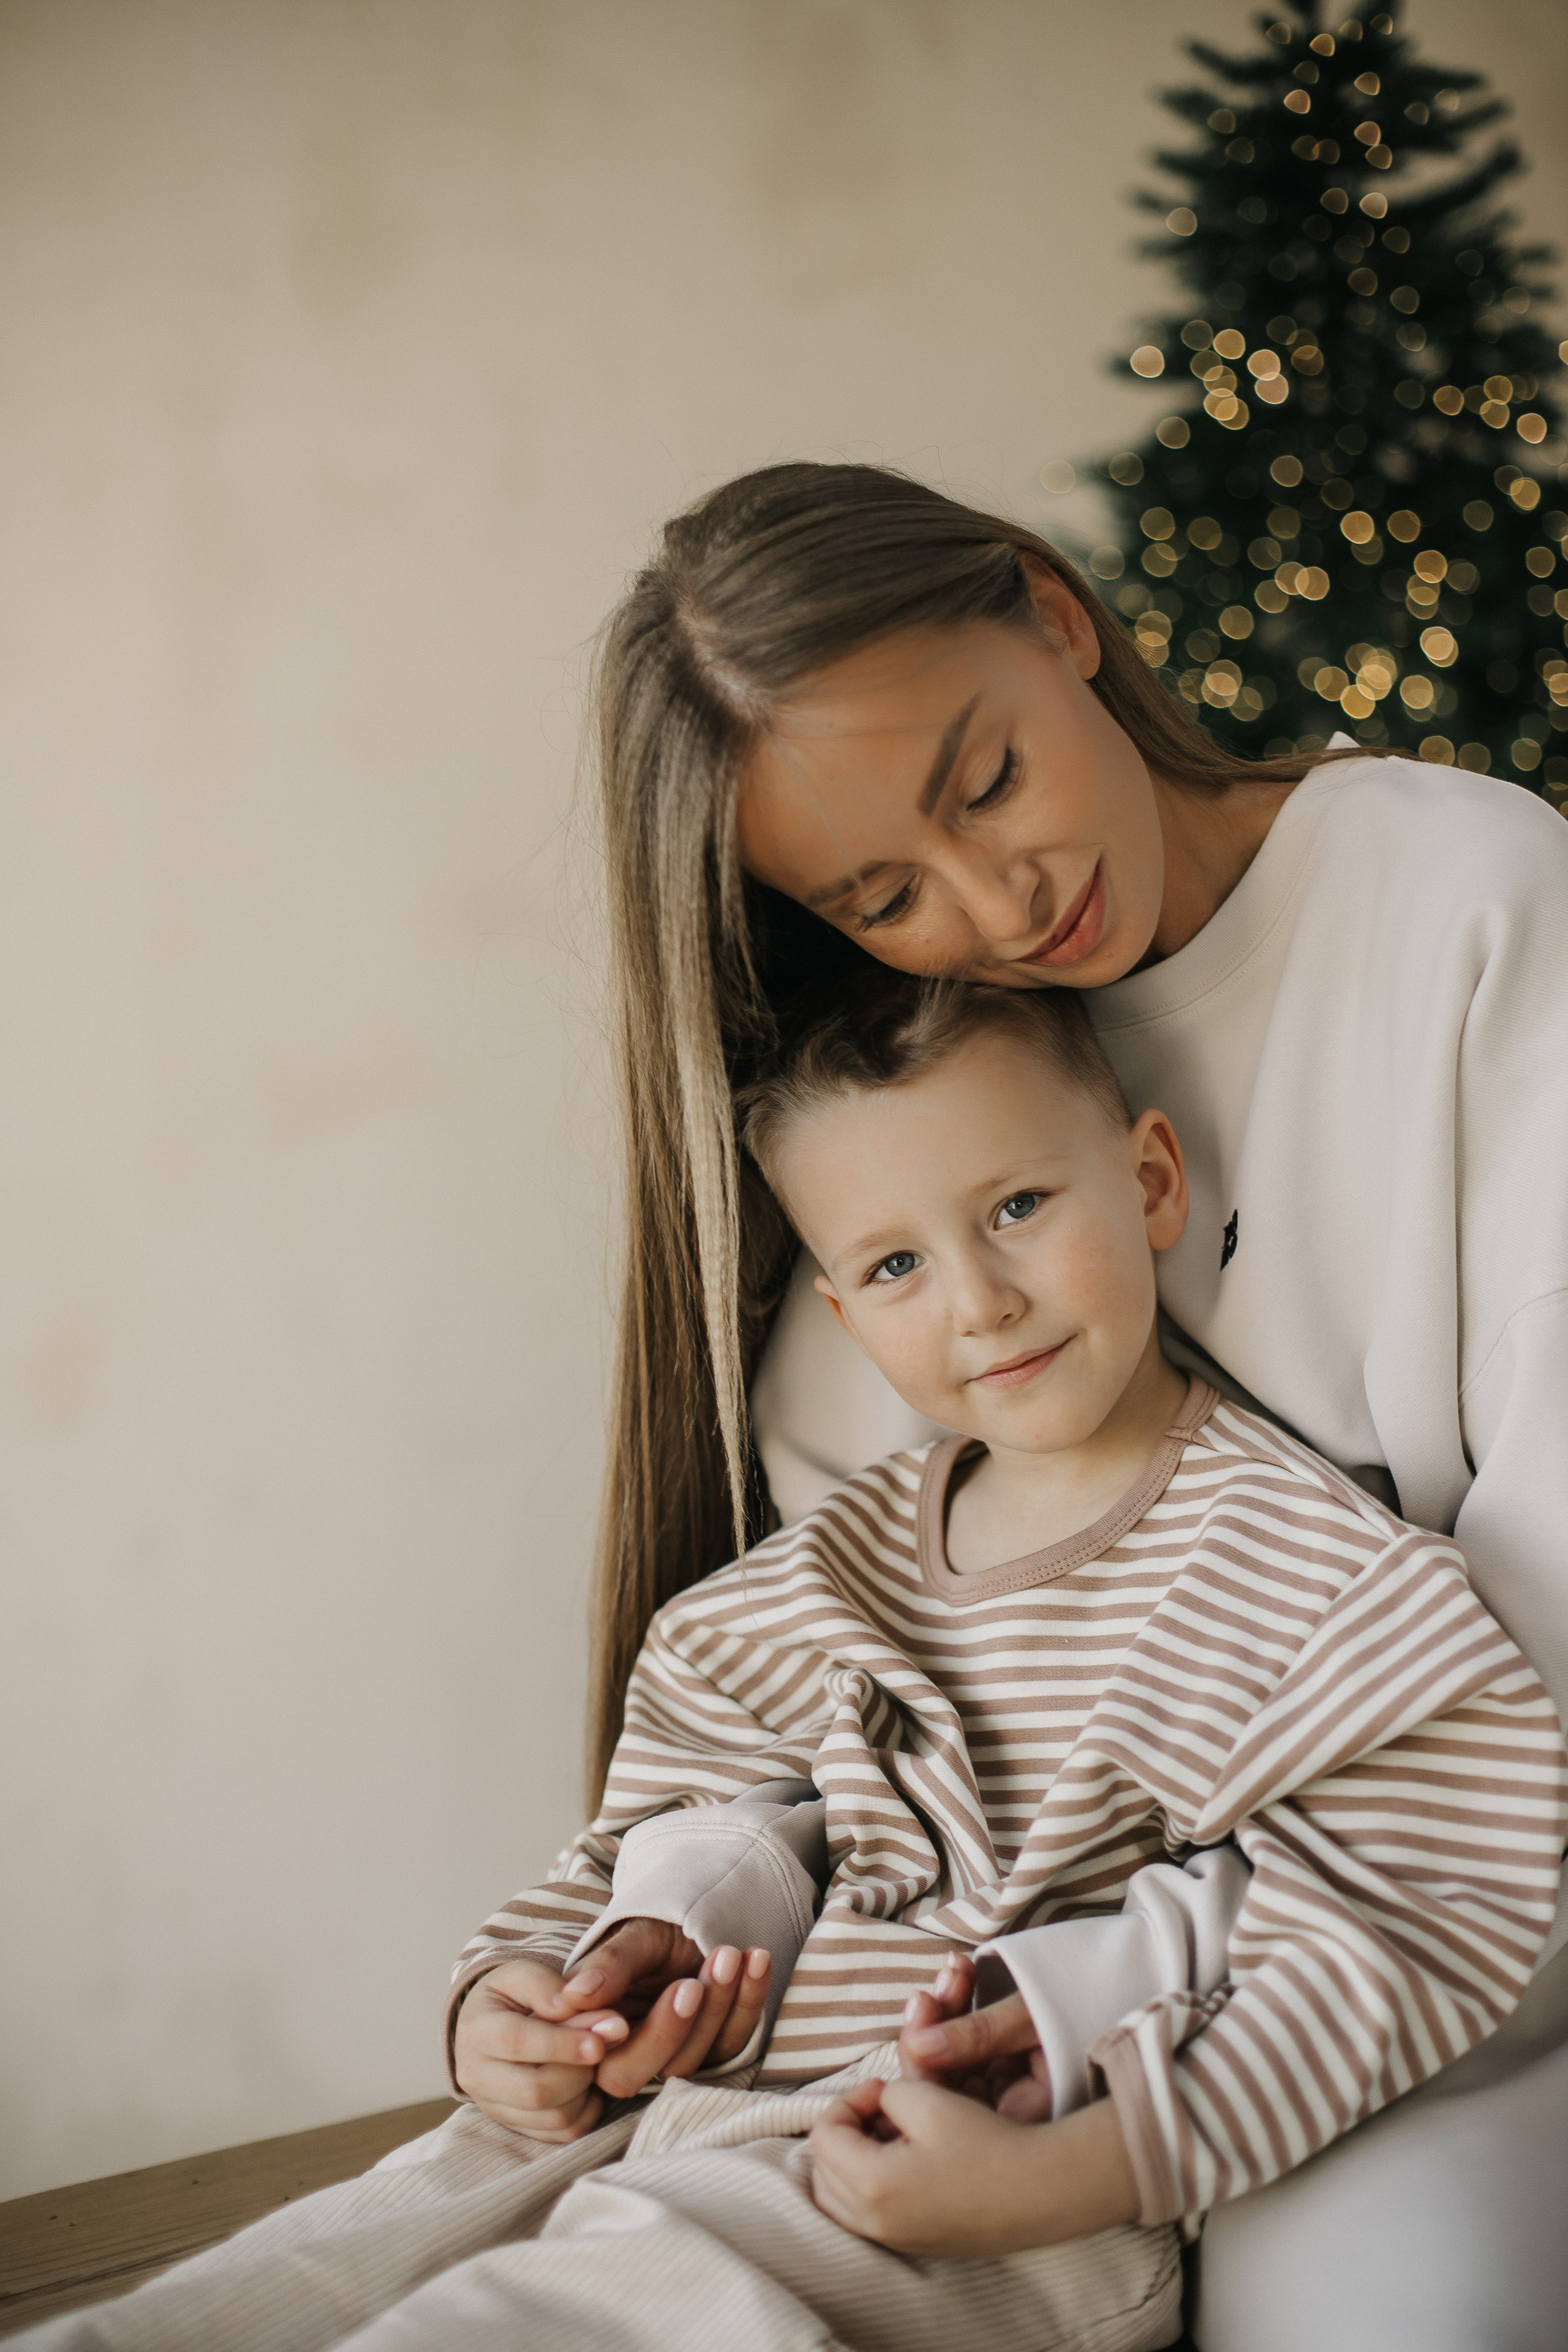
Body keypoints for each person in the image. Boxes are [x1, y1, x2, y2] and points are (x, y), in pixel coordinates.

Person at [29, 976, 1560, 2352]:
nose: (978, 1300)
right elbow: (682, 1821)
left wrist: (1095, 2160)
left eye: (1019, 1204)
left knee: (584, 2310)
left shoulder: (1303, 1571)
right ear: (839, 1306)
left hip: (970, 2178)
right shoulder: (807, 1582)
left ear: (1147, 1179)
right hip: (671, 2109)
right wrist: (563, 1987)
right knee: (289, 2283)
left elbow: (1408, 1917)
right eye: (893, 1264)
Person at [581, 460, 1568, 2350]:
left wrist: (1115, 2001)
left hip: (1447, 1938)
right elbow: (837, 1719)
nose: (1000, 900)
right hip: (1035, 1994)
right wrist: (669, 1929)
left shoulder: (1460, 900)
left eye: (990, 782)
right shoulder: (898, 1132)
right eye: (884, 894)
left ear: (1055, 618)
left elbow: (1514, 1767)